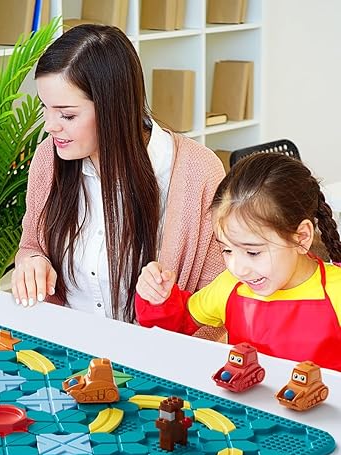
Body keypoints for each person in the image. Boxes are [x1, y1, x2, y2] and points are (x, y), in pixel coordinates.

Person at [12, 24, 226, 325]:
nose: (50, 125)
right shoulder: (50, 157)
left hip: (158, 352)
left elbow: (218, 304)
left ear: (113, 108)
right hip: (65, 344)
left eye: (67, 114)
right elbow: (31, 246)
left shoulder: (197, 172)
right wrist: (33, 262)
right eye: (45, 108)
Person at [135, 153, 341, 372]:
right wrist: (158, 296)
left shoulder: (336, 292)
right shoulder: (229, 286)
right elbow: (179, 322)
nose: (238, 268)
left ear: (301, 237)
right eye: (227, 249)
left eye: (253, 252)